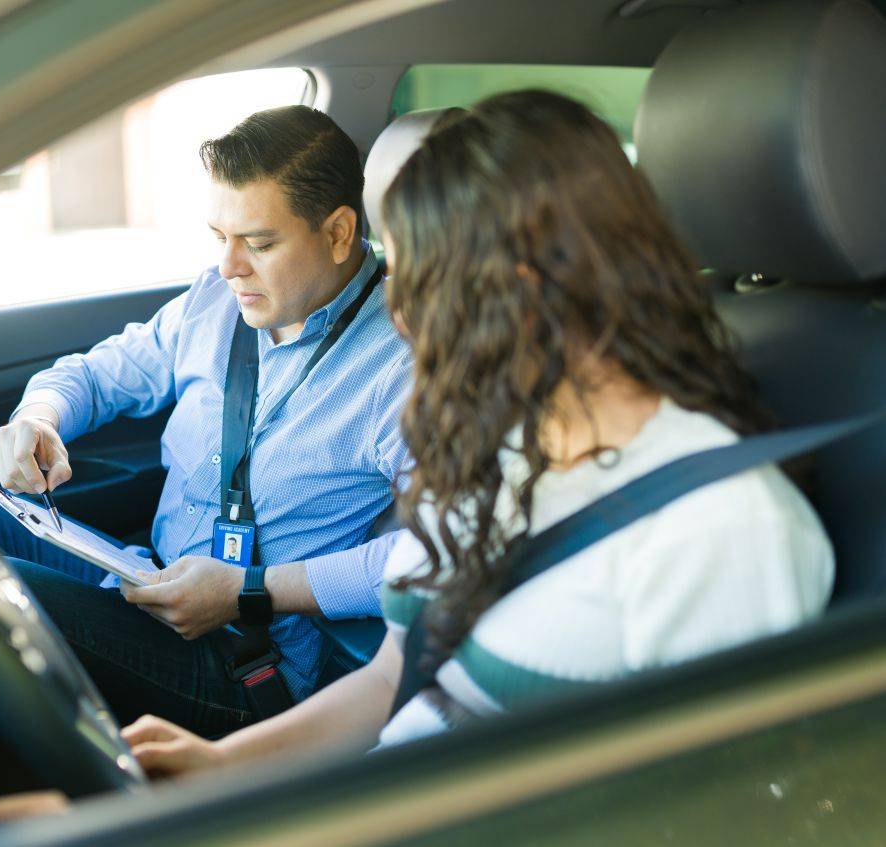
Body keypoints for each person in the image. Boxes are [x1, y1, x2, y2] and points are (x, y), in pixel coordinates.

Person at [110, 89, 835, 773]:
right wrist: (220, 767)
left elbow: (707, 803)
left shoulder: (720, 527)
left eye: (421, 281)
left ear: (519, 292)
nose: (398, 316)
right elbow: (394, 679)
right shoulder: (500, 455)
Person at [0, 105, 412, 737]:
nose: (229, 266)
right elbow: (94, 374)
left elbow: (427, 558)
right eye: (219, 237)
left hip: (241, 661)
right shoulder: (216, 302)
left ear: (337, 233)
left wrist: (250, 589)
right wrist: (38, 417)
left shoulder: (403, 365)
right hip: (144, 576)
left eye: (259, 242)